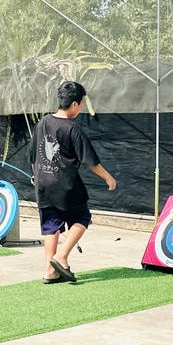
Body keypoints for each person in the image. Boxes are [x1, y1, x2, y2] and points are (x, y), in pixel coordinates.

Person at [30, 80, 117, 284]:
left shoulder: (42, 123)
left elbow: (33, 153)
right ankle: (61, 257)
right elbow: (90, 161)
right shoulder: (72, 129)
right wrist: (108, 178)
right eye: (83, 104)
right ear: (75, 104)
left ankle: (50, 272)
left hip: (43, 185)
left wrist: (35, 174)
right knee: (82, 216)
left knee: (51, 225)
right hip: (65, 186)